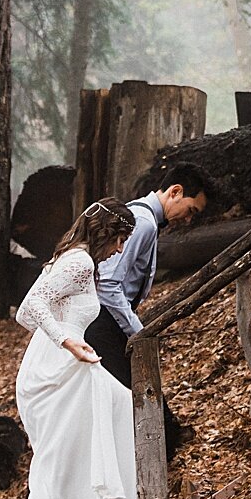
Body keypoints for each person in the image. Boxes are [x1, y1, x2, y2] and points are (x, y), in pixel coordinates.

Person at [9, 199, 140, 499]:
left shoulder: (75, 259)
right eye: (119, 239)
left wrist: (66, 340)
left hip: (69, 365)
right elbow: (30, 307)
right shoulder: (79, 262)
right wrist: (66, 339)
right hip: (58, 372)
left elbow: (31, 315)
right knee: (54, 464)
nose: (119, 249)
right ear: (105, 232)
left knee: (120, 410)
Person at [84, 163, 212, 450]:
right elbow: (108, 283)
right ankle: (161, 448)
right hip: (103, 317)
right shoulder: (142, 221)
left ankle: (167, 442)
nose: (188, 220)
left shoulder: (143, 217)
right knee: (131, 387)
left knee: (132, 383)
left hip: (109, 315)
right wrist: (137, 330)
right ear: (176, 192)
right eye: (191, 210)